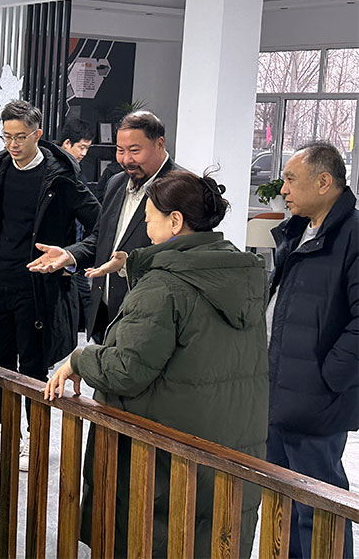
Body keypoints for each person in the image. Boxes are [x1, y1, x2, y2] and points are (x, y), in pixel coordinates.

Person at [44, 170, 269, 558]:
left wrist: (80, 358)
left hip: (165, 465)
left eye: (149, 221)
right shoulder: (240, 274)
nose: (146, 232)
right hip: (227, 454)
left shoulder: (165, 284)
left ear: (175, 221)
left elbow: (126, 369)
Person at [0, 100, 100, 470]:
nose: (13, 144)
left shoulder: (60, 177)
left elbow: (100, 222)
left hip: (37, 285)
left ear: (38, 135)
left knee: (32, 365)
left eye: (20, 137)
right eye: (7, 137)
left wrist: (70, 254)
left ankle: (34, 436)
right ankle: (8, 431)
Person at [266, 141, 357, 559]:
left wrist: (327, 378)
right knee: (281, 502)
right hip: (277, 391)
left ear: (323, 182)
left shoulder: (353, 235)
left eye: (290, 179)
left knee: (319, 510)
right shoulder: (298, 230)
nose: (283, 188)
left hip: (317, 400)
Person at [28, 111, 183, 343]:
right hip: (106, 316)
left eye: (135, 150)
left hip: (150, 320)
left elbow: (183, 258)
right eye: (120, 150)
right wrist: (70, 255)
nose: (126, 160)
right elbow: (101, 238)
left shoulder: (182, 188)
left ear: (159, 144)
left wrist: (129, 264)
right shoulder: (116, 183)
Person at [59, 119, 94, 335]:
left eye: (87, 148)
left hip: (75, 248)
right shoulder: (60, 173)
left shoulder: (78, 173)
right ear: (67, 143)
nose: (84, 153)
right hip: (62, 248)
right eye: (81, 147)